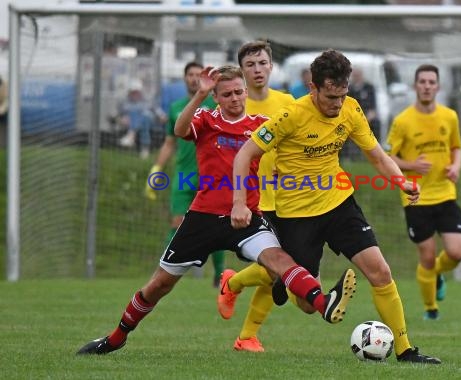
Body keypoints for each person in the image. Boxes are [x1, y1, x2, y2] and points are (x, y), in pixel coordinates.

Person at [76, 65, 356, 356]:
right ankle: (116, 337)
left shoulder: (262, 125)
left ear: (246, 92)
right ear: (218, 98)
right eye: (227, 94)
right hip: (203, 217)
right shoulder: (206, 119)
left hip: (245, 215)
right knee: (159, 285)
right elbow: (179, 130)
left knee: (279, 260)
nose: (234, 98)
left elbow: (298, 139)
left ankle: (325, 304)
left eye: (238, 92)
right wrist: (199, 95)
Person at [230, 50, 441, 364]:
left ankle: (405, 349)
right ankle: (276, 280)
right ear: (312, 88)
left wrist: (402, 182)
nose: (337, 104)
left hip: (339, 204)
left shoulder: (351, 110)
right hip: (297, 216)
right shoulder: (290, 116)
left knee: (380, 271)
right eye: (330, 97)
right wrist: (238, 202)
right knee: (305, 305)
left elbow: (378, 157)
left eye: (342, 96)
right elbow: (244, 155)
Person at [216, 40, 295, 352]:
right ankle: (246, 334)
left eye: (262, 63)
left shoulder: (288, 102)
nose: (258, 69)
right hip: (251, 202)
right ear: (242, 70)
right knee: (279, 268)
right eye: (250, 65)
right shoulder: (236, 105)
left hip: (288, 198)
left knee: (283, 269)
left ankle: (233, 284)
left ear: (271, 66)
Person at [385, 64, 461, 322]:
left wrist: (455, 166)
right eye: (422, 82)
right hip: (416, 198)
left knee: (456, 252)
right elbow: (388, 157)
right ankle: (431, 309)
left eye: (432, 82)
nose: (427, 86)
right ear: (415, 86)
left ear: (438, 86)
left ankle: (437, 275)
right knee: (428, 256)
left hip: (445, 193)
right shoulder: (403, 121)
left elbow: (457, 147)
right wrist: (411, 166)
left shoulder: (449, 116)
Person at [145, 62, 225, 287]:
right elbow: (170, 143)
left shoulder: (217, 104)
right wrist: (156, 169)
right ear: (184, 79)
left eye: (197, 75)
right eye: (189, 75)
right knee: (177, 223)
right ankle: (163, 274)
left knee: (216, 226)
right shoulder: (176, 107)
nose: (193, 78)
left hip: (212, 177)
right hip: (184, 176)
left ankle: (219, 274)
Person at [117, 79, 167, 159]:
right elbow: (120, 115)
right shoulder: (125, 102)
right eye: (133, 92)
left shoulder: (147, 100)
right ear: (129, 92)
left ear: (140, 92)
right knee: (141, 118)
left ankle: (131, 135)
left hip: (151, 122)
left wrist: (162, 116)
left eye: (137, 92)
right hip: (136, 123)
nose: (135, 94)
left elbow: (157, 110)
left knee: (145, 115)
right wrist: (122, 118)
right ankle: (144, 149)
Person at [344, 67, 380, 160]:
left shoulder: (369, 87)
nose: (356, 77)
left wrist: (366, 118)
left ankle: (375, 152)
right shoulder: (349, 89)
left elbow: (373, 107)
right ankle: (347, 155)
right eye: (354, 75)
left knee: (376, 123)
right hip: (352, 117)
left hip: (367, 116)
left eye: (358, 75)